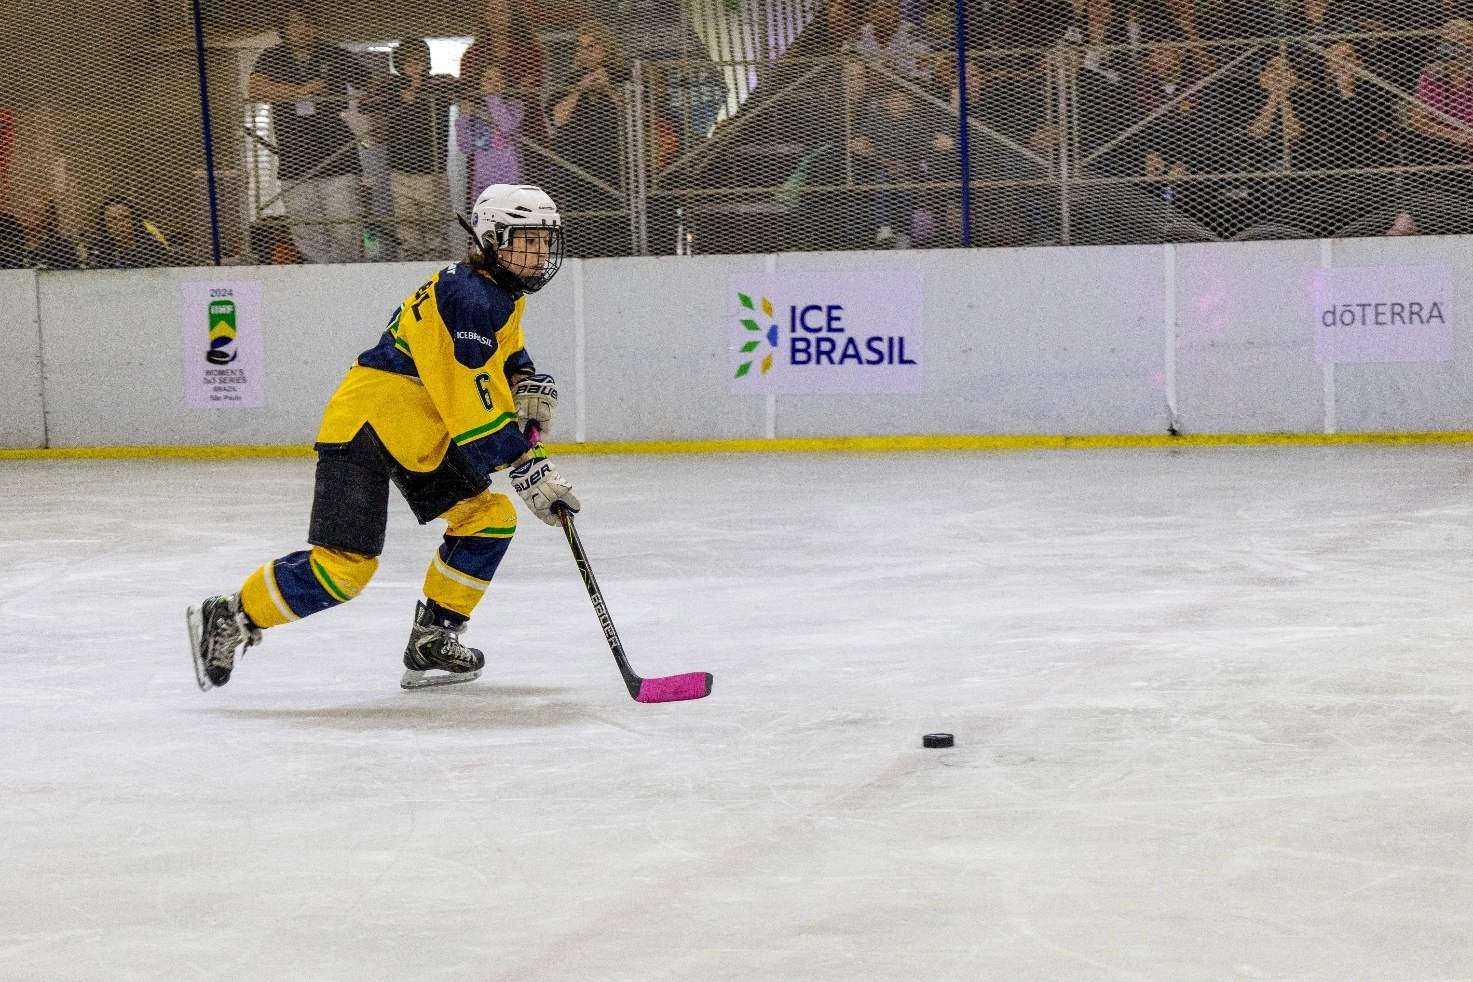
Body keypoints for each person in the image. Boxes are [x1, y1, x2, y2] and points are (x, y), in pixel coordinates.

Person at [187, 184, 580, 692]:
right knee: (345, 569)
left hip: (417, 428)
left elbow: (503, 356)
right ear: (491, 238)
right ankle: (233, 614)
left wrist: (524, 379)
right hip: (369, 424)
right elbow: (471, 401)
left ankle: (434, 637)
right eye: (527, 239)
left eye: (546, 240)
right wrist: (528, 465)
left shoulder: (494, 292)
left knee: (489, 518)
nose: (541, 252)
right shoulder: (468, 295)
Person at [248, 3, 372, 264]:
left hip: (338, 161)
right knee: (306, 233)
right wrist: (298, 90)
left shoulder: (334, 54)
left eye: (307, 22)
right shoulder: (272, 57)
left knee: (346, 230)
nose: (301, 29)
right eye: (294, 23)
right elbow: (255, 88)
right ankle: (320, 286)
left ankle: (349, 283)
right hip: (296, 164)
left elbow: (370, 85)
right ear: (283, 28)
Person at [548, 21, 627, 253]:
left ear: (606, 48)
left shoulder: (621, 76)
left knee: (614, 235)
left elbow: (634, 117)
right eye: (581, 48)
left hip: (616, 169)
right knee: (580, 233)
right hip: (579, 171)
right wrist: (580, 88)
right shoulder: (571, 80)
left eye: (592, 46)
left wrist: (610, 88)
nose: (586, 53)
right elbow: (558, 117)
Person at [376, 38, 456, 261]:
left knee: (435, 232)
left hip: (432, 171)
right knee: (408, 231)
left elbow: (464, 89)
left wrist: (428, 86)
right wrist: (401, 95)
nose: (414, 65)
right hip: (400, 172)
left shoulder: (438, 85)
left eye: (419, 59)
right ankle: (411, 276)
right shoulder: (392, 88)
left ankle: (439, 277)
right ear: (399, 63)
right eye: (408, 60)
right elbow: (366, 103)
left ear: (427, 61)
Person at [459, 0, 549, 194]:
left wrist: (499, 94)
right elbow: (467, 93)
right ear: (483, 15)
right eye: (491, 10)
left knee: (530, 193)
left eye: (502, 10)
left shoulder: (530, 51)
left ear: (513, 14)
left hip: (527, 130)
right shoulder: (473, 55)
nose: (496, 16)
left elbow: (531, 91)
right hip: (485, 136)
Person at [457, 64, 527, 203]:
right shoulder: (475, 111)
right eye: (488, 79)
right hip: (483, 184)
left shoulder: (515, 106)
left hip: (510, 182)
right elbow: (466, 147)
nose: (493, 83)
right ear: (479, 82)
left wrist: (492, 98)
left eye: (499, 79)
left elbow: (506, 127)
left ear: (506, 83)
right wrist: (464, 117)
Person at [87, 197, 175, 268]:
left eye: (125, 217)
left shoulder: (153, 248)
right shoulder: (99, 252)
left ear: (134, 220)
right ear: (104, 224)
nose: (120, 224)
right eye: (112, 220)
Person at [17, 191, 79, 269]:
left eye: (35, 212)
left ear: (48, 218)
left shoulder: (61, 246)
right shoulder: (13, 245)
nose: (27, 215)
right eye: (24, 209)